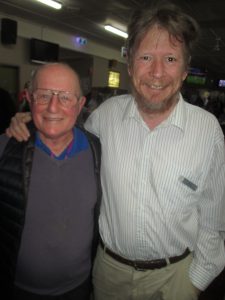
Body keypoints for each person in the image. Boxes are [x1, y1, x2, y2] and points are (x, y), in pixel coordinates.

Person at [6, 3, 225, 300]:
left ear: (185, 70)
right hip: (108, 277)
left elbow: (215, 225)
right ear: (130, 64)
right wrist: (29, 122)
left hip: (175, 278)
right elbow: (63, 128)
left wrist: (192, 285)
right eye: (146, 57)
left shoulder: (208, 131)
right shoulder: (104, 118)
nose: (157, 72)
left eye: (170, 59)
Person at [0, 62, 101, 299]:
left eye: (65, 97)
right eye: (44, 95)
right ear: (29, 98)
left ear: (80, 105)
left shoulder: (98, 151)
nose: (53, 107)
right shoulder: (4, 148)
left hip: (80, 289)